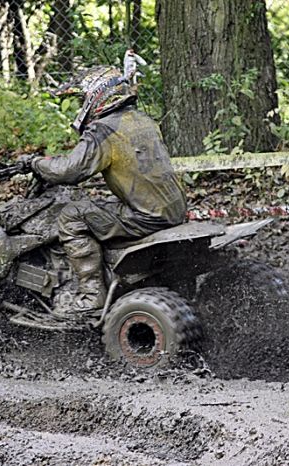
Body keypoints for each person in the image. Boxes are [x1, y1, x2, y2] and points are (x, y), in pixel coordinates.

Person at [18, 64, 187, 319]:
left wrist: (34, 163)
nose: (80, 106)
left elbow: (69, 171)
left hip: (145, 216)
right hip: (173, 208)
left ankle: (91, 295)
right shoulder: (143, 120)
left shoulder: (104, 130)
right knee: (100, 203)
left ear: (97, 95)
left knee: (72, 216)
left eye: (81, 100)